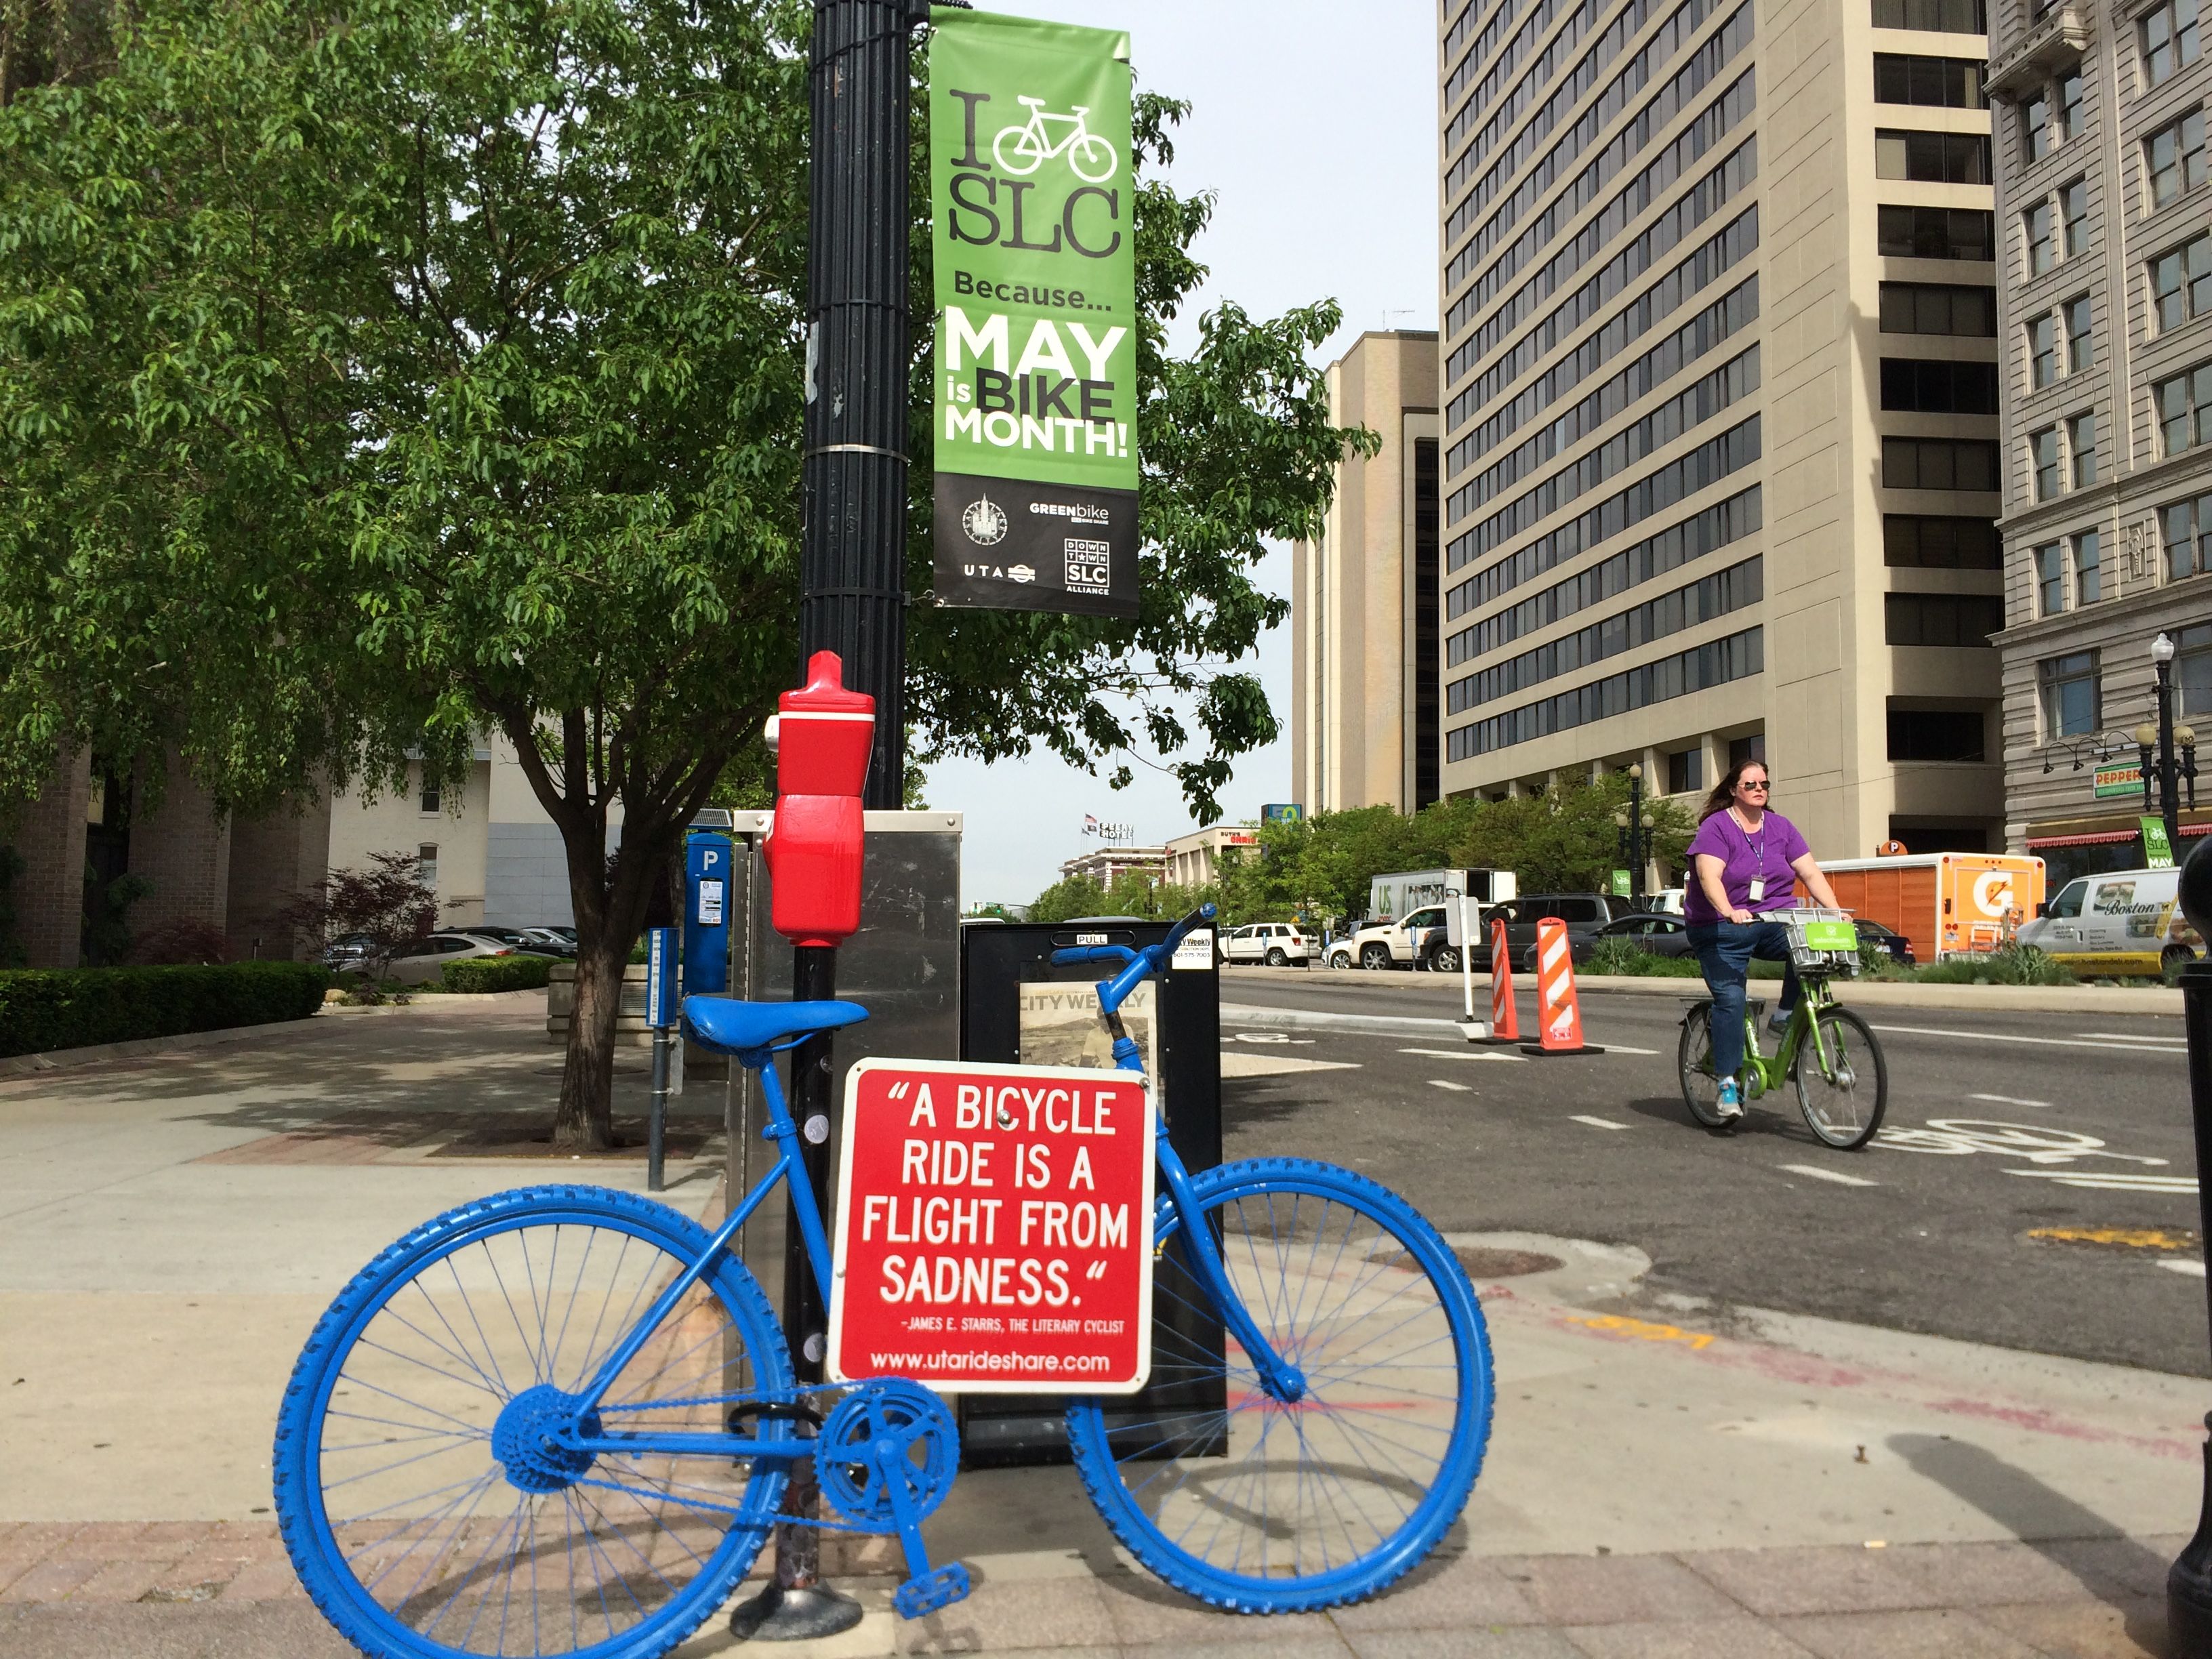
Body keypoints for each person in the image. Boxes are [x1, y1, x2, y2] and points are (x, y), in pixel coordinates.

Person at [1683, 759, 1844, 1120]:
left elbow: (1809, 872)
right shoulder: (1716, 827)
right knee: (1731, 999)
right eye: (1751, 784)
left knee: (1809, 947)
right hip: (1720, 926)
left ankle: (1784, 1014)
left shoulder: (1782, 828)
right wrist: (1728, 909)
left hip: (1771, 919)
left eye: (1764, 785)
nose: (1759, 789)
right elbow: (1709, 877)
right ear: (1733, 790)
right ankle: (1726, 1082)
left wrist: (1835, 911)